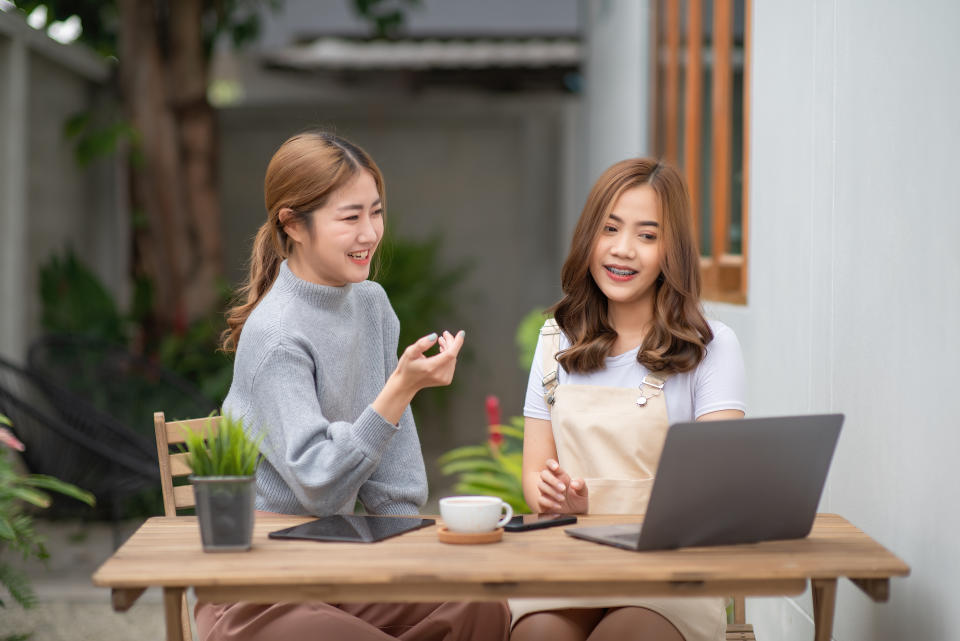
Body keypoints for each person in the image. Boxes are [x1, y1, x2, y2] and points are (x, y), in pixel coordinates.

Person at [195, 131, 510, 641]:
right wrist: (397, 392)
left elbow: (394, 485)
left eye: (376, 213)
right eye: (350, 217)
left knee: (482, 610)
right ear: (293, 224)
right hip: (260, 587)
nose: (369, 233)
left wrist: (411, 564)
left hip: (342, 566)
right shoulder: (277, 335)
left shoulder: (371, 305)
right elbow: (317, 482)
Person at [511, 158, 746, 641]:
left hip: (668, 573)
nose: (622, 250)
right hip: (569, 563)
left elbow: (717, 491)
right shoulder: (554, 341)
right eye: (610, 229)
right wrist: (557, 498)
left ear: (671, 251)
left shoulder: (711, 346)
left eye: (646, 235)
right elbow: (535, 477)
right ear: (588, 238)